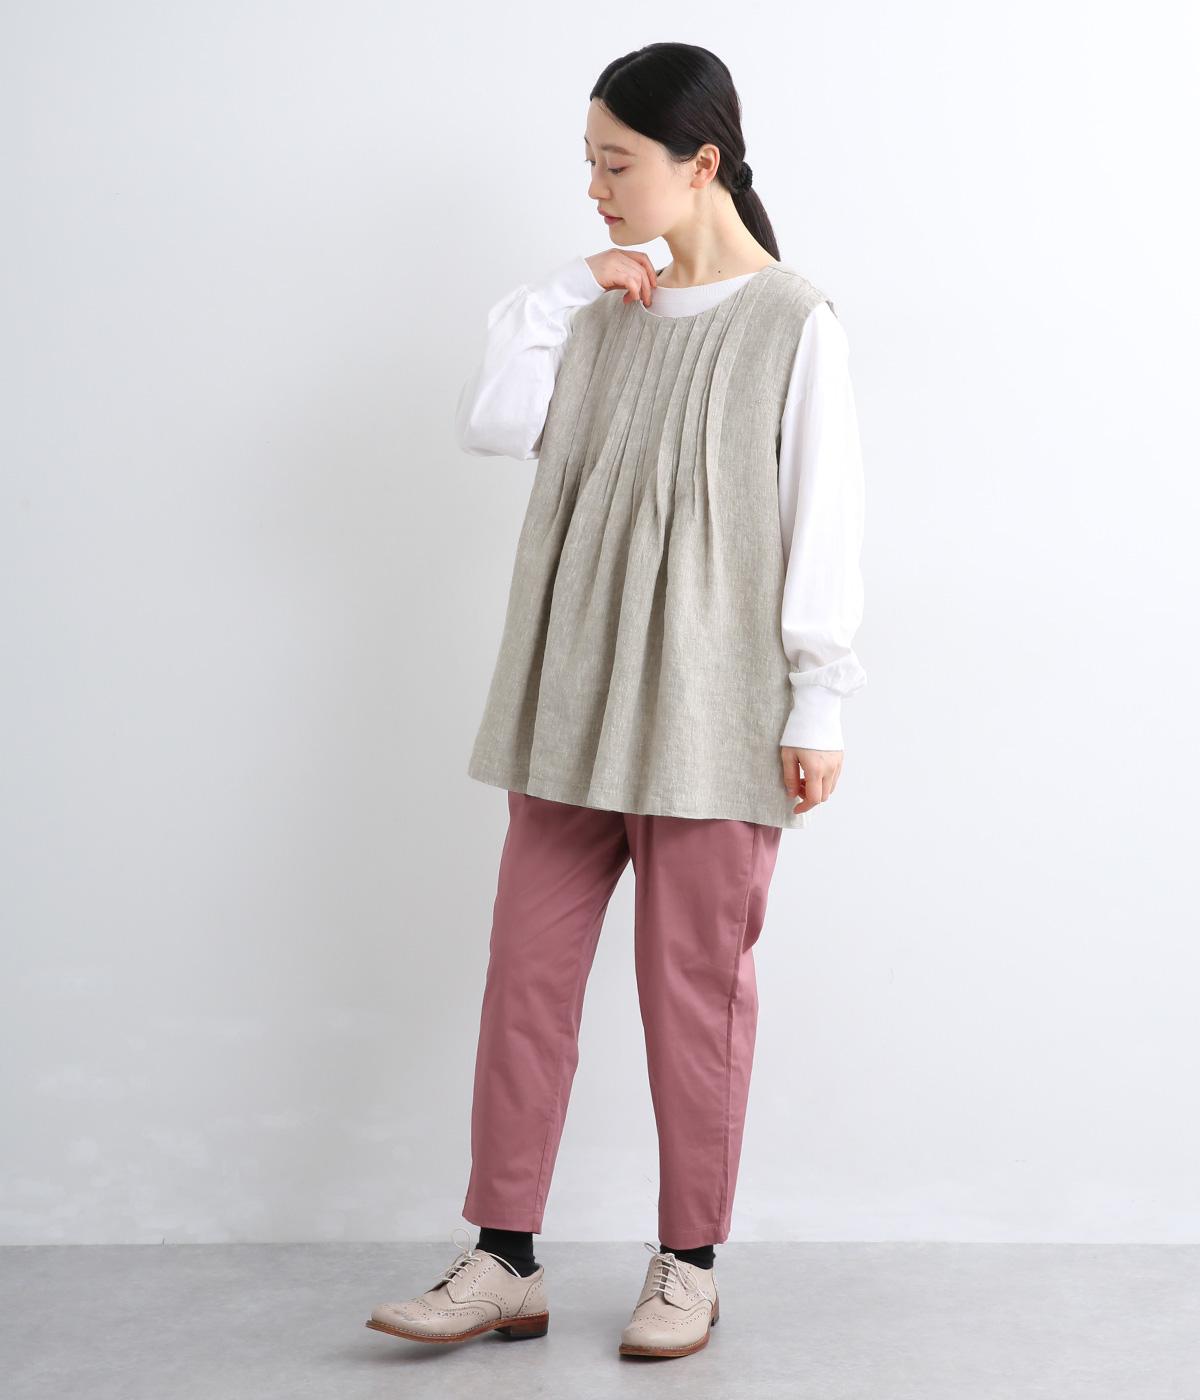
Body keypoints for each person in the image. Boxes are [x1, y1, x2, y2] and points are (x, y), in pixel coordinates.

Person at [366, 41, 867, 1361]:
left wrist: (819, 702)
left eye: (616, 162)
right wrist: (556, 289)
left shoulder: (793, 322)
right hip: (572, 692)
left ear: (702, 163)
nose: (595, 187)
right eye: (587, 161)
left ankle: (688, 1264)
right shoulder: (596, 312)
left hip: (714, 706)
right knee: (525, 978)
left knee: (692, 995)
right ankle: (503, 1261)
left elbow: (825, 521)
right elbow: (491, 421)